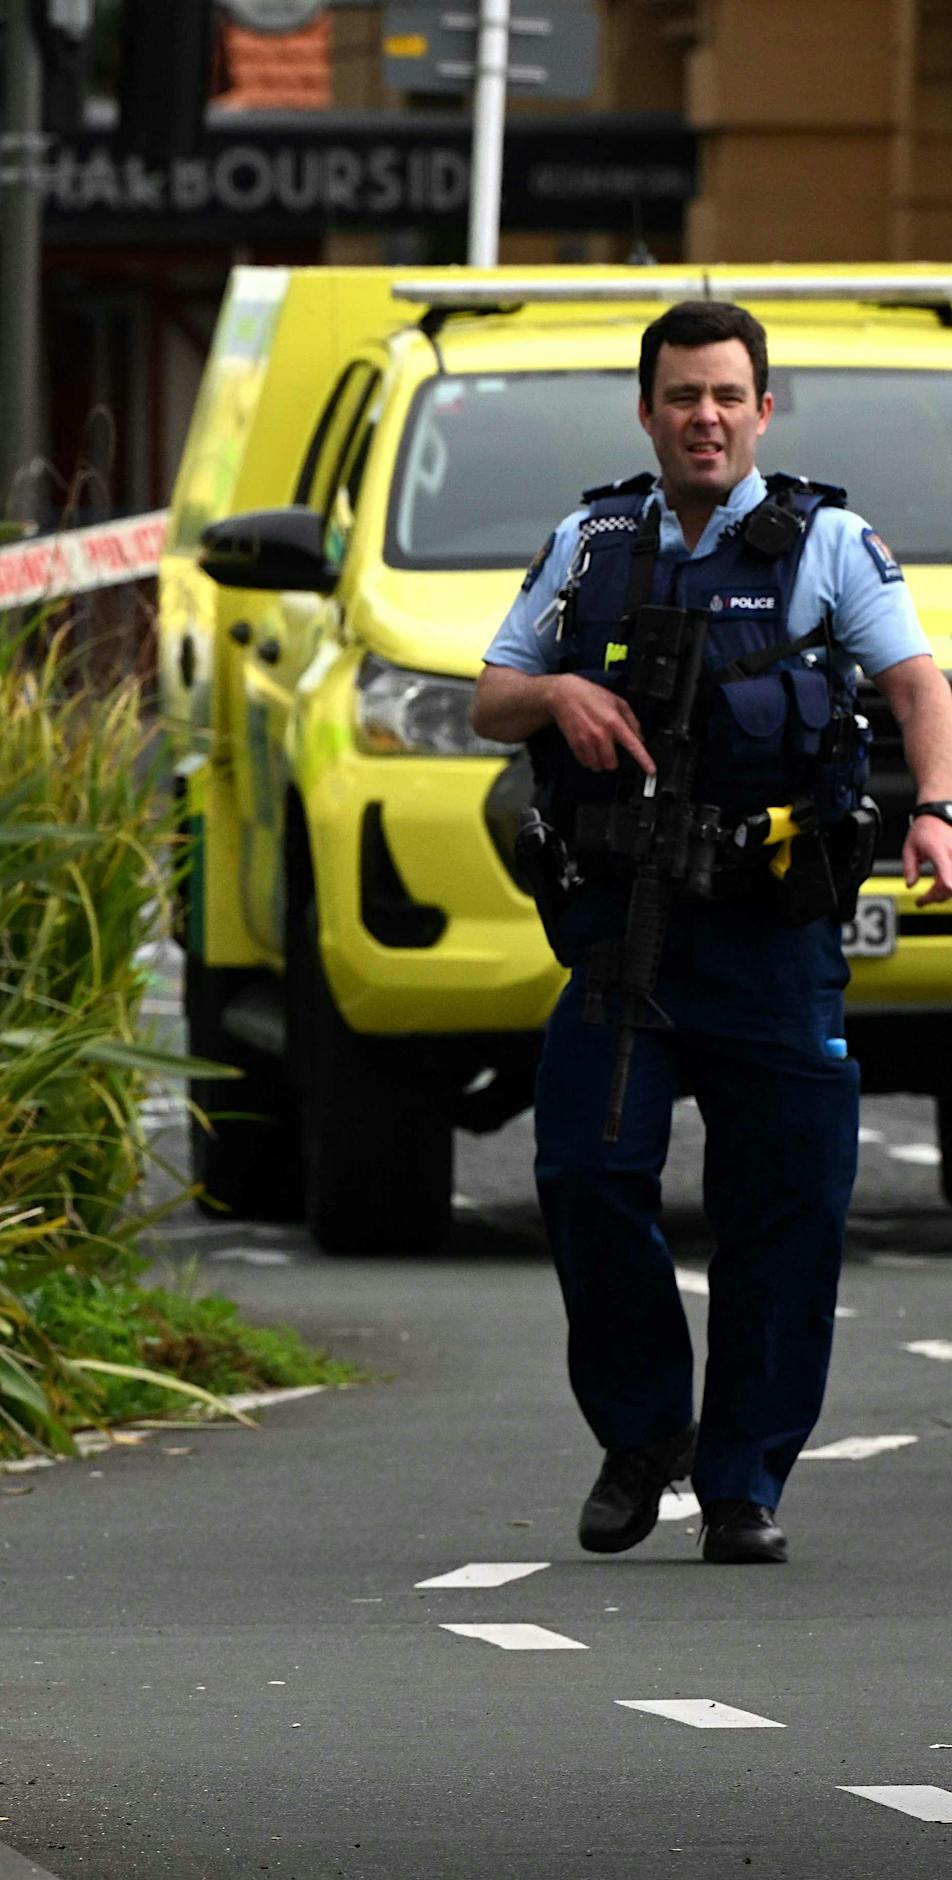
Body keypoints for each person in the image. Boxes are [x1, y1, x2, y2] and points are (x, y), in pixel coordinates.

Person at [471, 300, 952, 1565]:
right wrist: (559, 688)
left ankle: (741, 1482)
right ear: (646, 411)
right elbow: (487, 696)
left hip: (772, 934)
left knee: (786, 1211)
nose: (704, 417)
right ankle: (643, 1435)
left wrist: (938, 810)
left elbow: (914, 681)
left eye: (726, 396)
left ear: (760, 410)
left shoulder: (828, 542)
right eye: (681, 395)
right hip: (625, 933)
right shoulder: (591, 537)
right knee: (584, 1171)